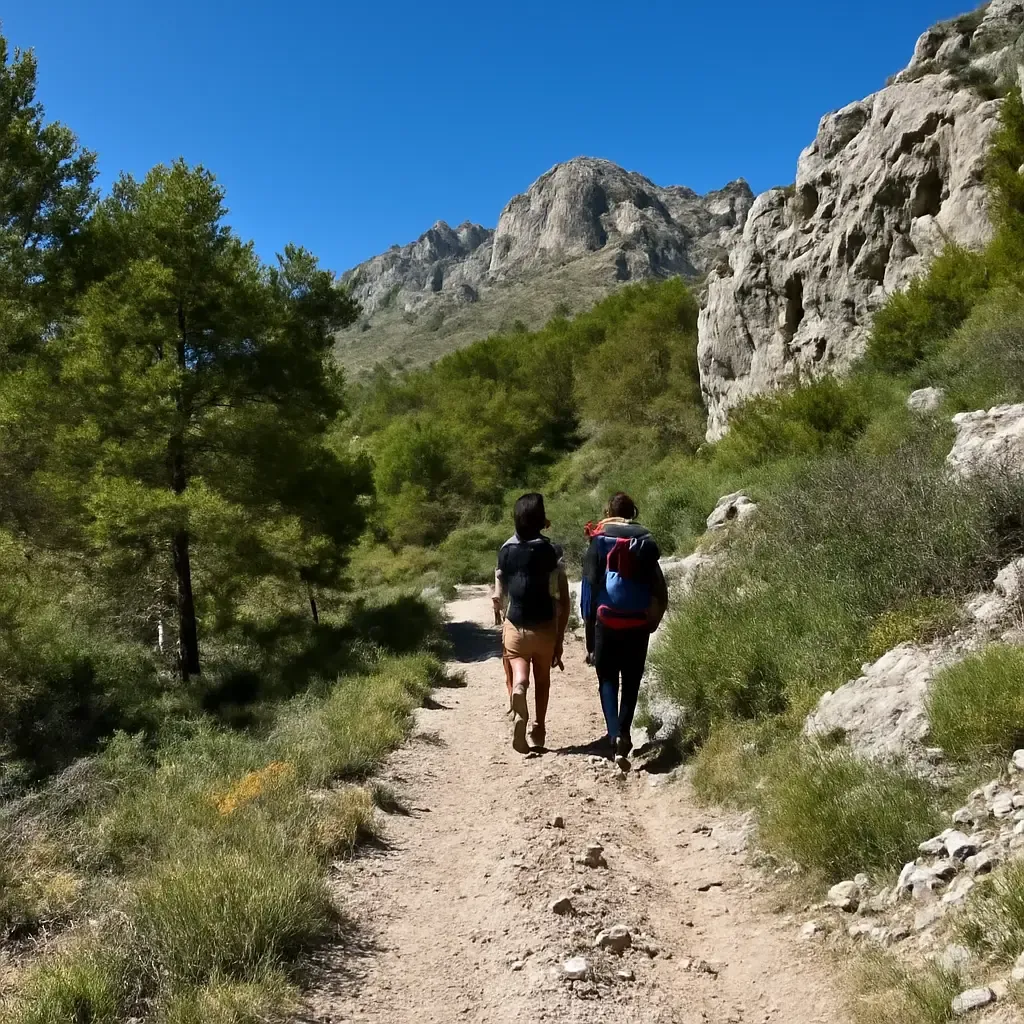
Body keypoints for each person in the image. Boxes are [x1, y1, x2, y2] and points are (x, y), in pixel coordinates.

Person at [581, 492, 668, 771]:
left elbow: (589, 592)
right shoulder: (643, 540)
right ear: (633, 513)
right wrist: (652, 621)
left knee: (607, 679)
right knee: (631, 681)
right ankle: (626, 733)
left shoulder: (599, 541)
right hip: (638, 622)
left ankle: (614, 735)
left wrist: (589, 638)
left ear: (609, 512)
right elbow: (659, 588)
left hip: (605, 621)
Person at [492, 493, 570, 754]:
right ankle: (538, 728)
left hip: (516, 625)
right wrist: (559, 640)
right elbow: (563, 599)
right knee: (543, 679)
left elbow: (502, 585)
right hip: (545, 626)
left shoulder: (506, 551)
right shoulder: (551, 551)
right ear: (540, 519)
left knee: (519, 667)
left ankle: (519, 689)